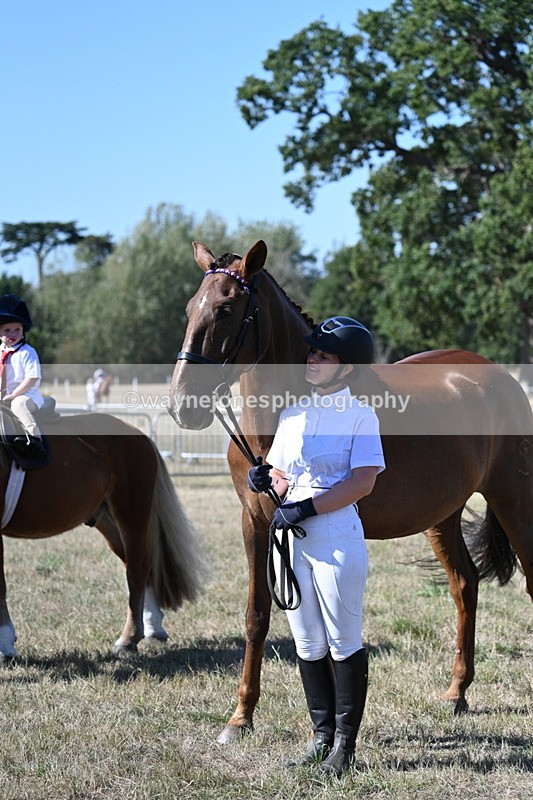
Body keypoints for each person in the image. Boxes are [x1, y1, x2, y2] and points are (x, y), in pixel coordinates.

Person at [248, 316, 385, 776]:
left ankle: (345, 747)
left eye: (323, 356)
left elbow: (363, 482)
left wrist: (308, 508)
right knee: (307, 641)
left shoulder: (362, 415)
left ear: (346, 368)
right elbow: (284, 477)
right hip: (293, 538)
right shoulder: (293, 413)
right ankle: (321, 736)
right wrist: (266, 478)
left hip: (336, 535)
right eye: (313, 352)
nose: (313, 359)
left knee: (343, 639)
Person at [0, 294, 46, 458]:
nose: (12, 333)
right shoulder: (0, 352)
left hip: (27, 395)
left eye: (17, 330)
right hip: (5, 396)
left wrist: (14, 394)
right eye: (7, 330)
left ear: (23, 331)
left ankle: (34, 439)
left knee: (18, 405)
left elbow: (31, 378)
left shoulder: (27, 352)